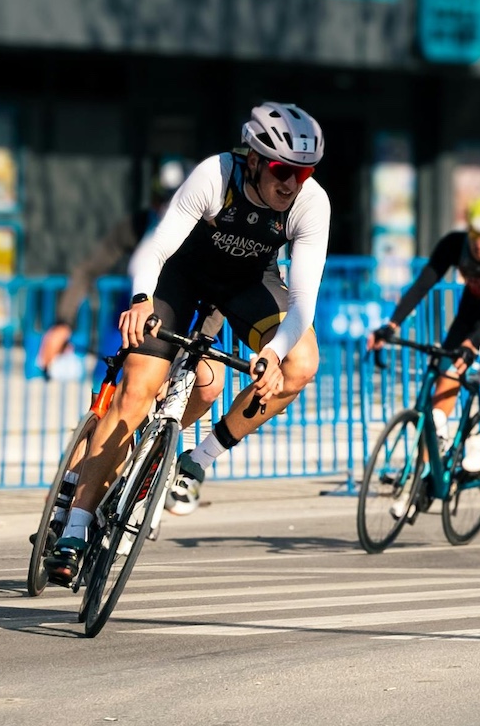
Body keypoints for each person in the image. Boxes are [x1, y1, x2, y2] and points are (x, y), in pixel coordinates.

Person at [44, 103, 330, 584]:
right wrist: (141, 300)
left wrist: (273, 352)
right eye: (282, 171)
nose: (292, 184)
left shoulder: (311, 202)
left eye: (303, 173)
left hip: (247, 286)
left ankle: (197, 460)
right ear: (254, 160)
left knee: (300, 364)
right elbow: (155, 249)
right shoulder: (216, 174)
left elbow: (303, 303)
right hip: (181, 278)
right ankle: (75, 528)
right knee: (137, 392)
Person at [371, 192, 480, 485]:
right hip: (470, 317)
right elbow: (423, 284)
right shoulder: (455, 244)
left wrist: (474, 342)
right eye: (475, 234)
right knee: (443, 387)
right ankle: (424, 471)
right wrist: (391, 325)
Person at [34, 158, 187, 376]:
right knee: (107, 377)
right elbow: (87, 270)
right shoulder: (139, 224)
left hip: (180, 315)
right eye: (160, 200)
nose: (164, 207)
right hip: (133, 312)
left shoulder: (200, 228)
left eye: (172, 200)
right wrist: (63, 322)